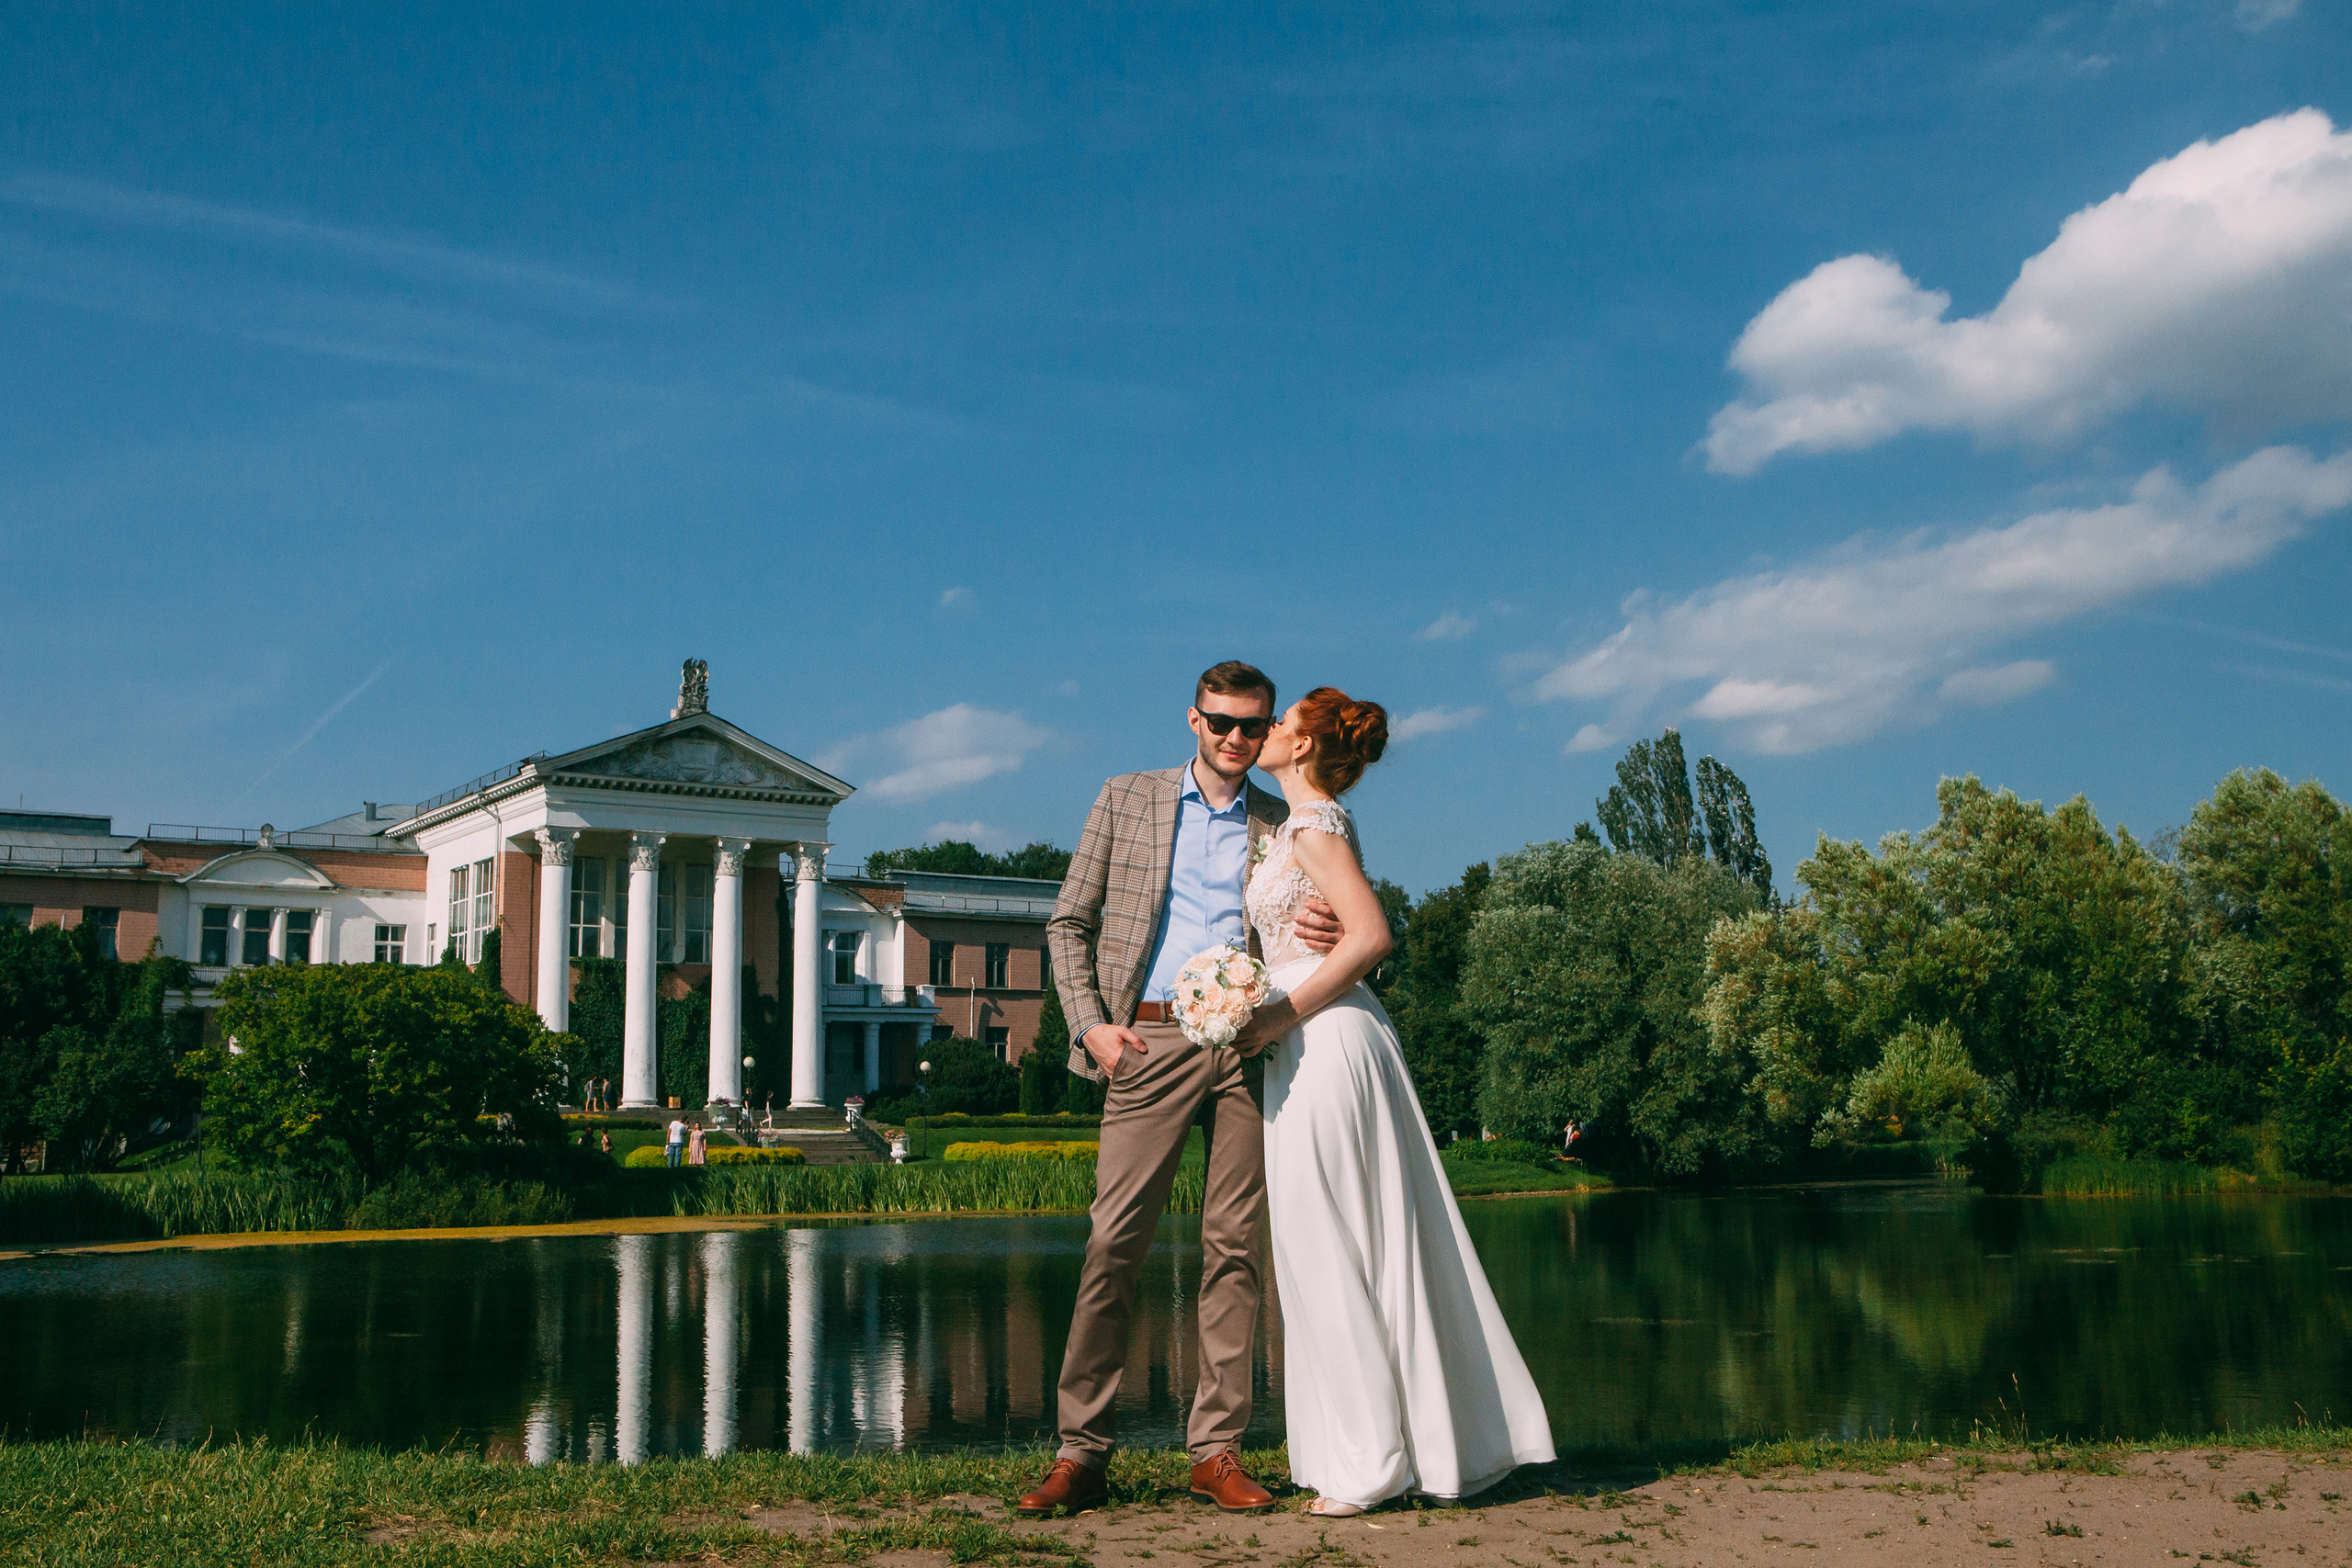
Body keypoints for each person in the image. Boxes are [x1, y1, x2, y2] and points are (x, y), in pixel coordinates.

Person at [1018, 660, 1343, 1520]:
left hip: (1249, 1041)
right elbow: (1067, 920)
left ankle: (1216, 1450)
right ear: (1191, 720)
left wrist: (1326, 922)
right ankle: (1080, 1452)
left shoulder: (1284, 820)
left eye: (1251, 724)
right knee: (1112, 1242)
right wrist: (1092, 1026)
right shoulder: (1126, 798)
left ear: (1268, 728)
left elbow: (1323, 919)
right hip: (1148, 1038)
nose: (1235, 738)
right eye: (1220, 722)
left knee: (1234, 1247)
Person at [1232, 687, 1555, 1517]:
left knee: (1334, 1240)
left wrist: (1273, 1016)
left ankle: (1374, 1462)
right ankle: (1380, 1448)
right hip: (1307, 1043)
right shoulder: (1296, 827)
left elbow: (1372, 935)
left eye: (1279, 723)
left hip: (1324, 1040)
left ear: (1302, 745)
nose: (1265, 733)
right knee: (1335, 1241)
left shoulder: (1314, 825)